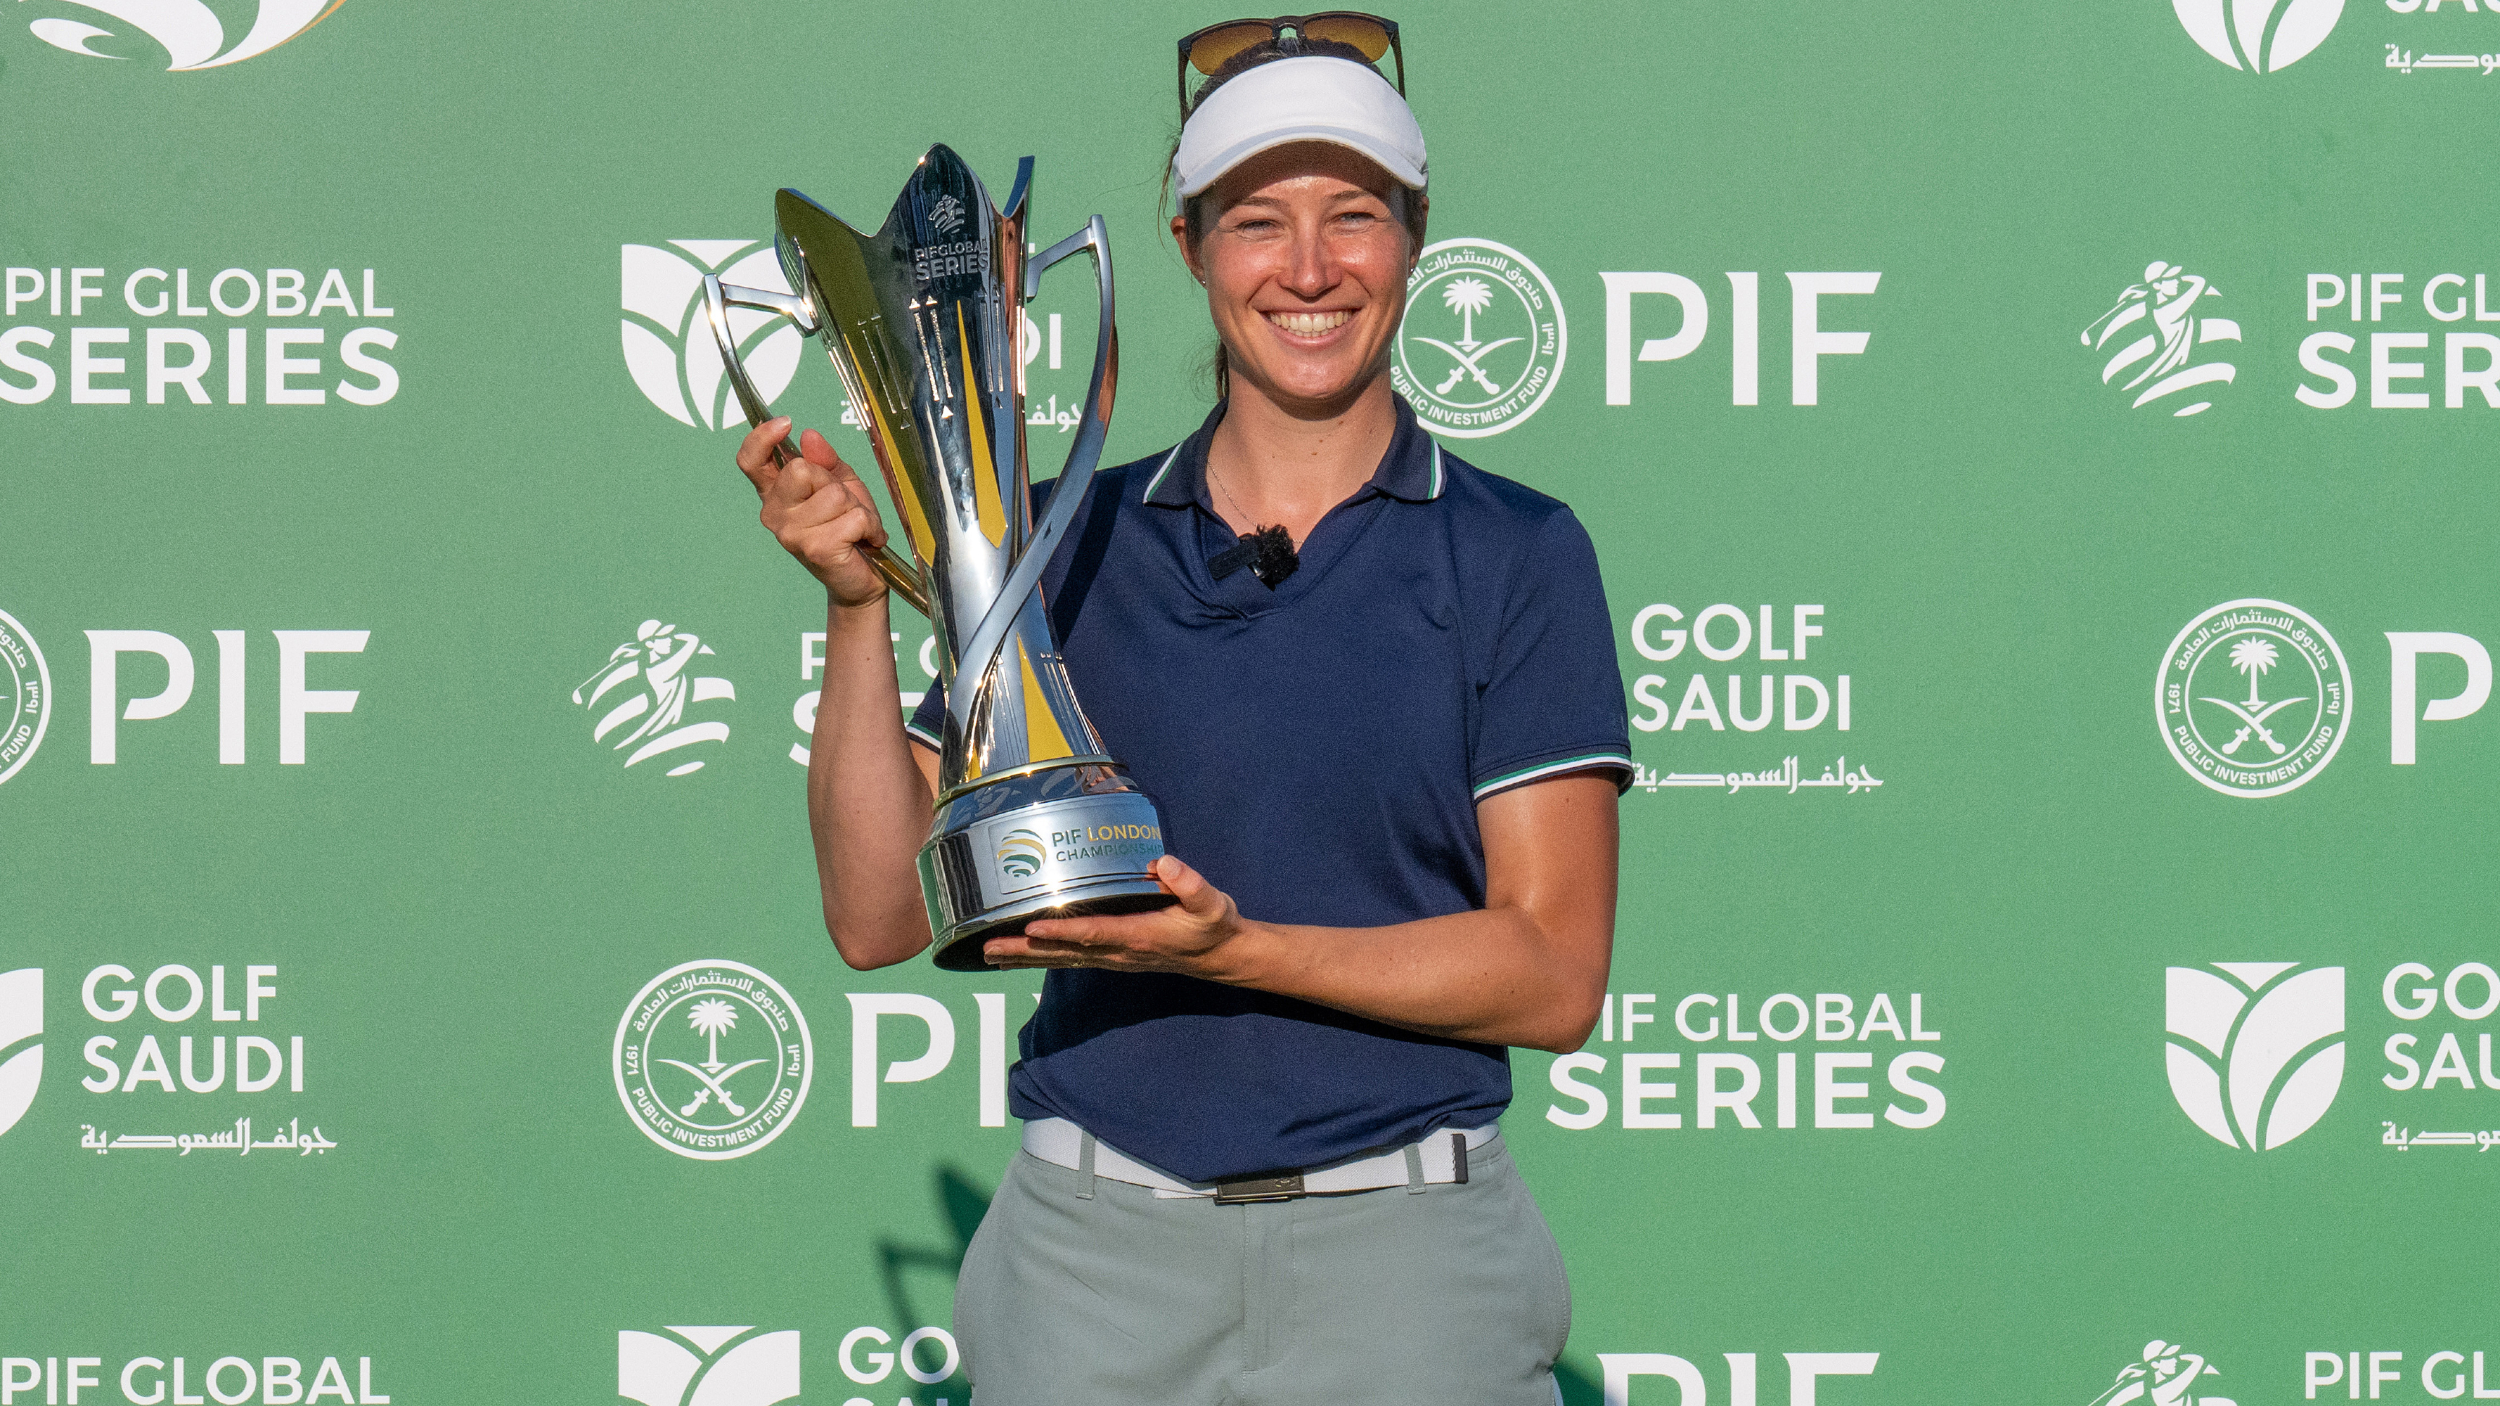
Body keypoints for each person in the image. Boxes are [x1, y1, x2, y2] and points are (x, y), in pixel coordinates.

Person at [734, 15, 1629, 1404]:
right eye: (1259, 221)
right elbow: (875, 912)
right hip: (1094, 1261)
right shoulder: (1055, 539)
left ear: (1416, 235)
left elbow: (1553, 972)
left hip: (1408, 1263)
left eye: (1357, 216)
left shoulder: (1513, 551)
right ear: (1186, 244)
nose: (1313, 267)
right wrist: (859, 603)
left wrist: (1238, 949)